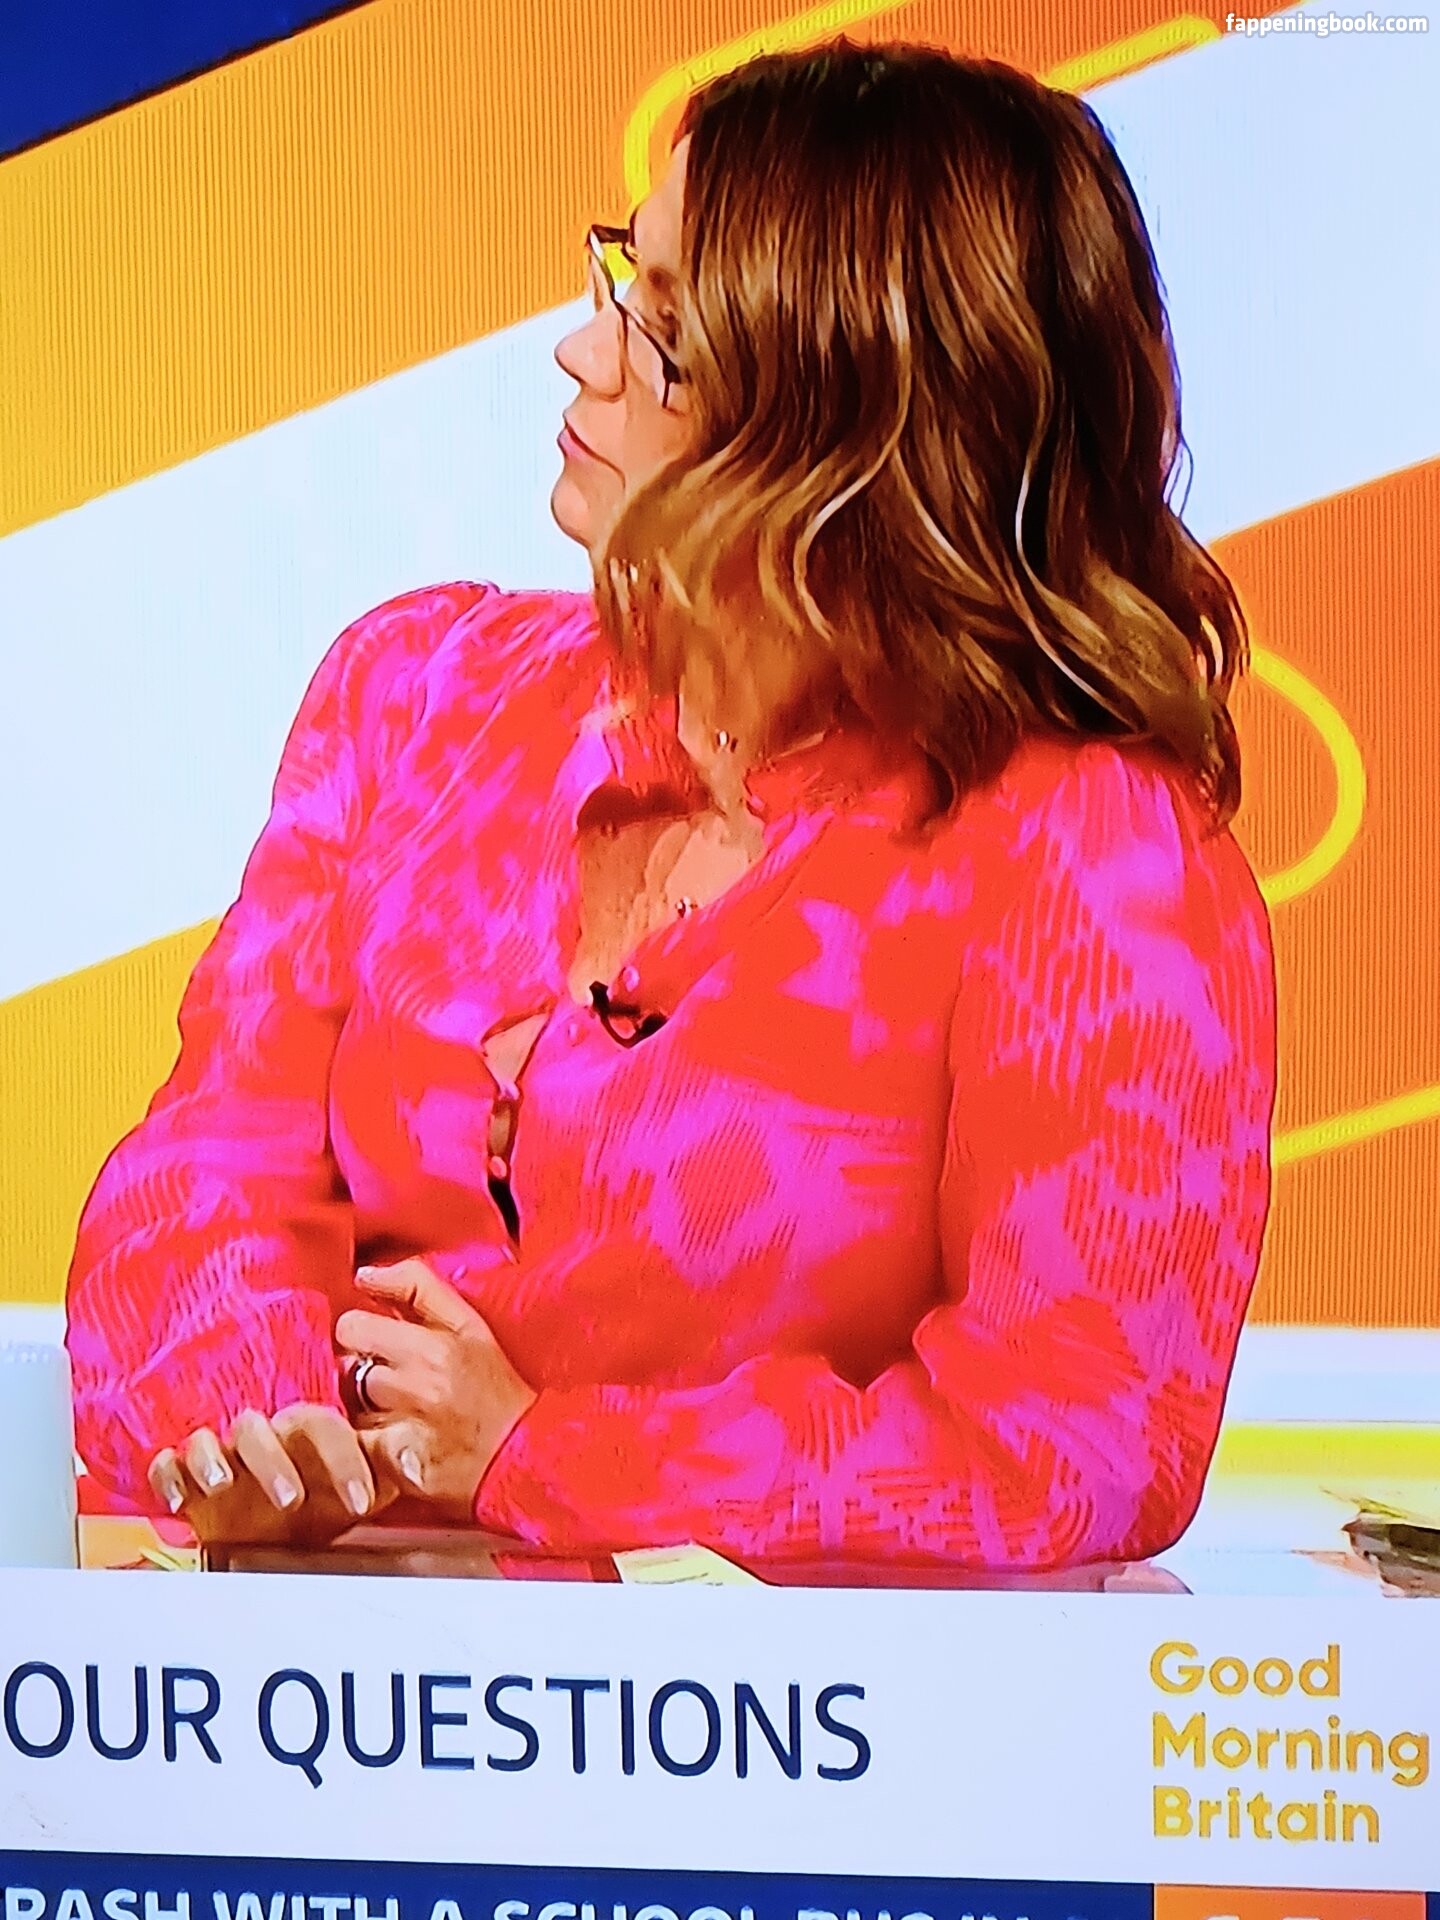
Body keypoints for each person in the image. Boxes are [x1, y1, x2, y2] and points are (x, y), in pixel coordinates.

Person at [64, 39, 1277, 1574]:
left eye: (670, 333)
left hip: (780, 1719)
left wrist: (545, 1457)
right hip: (322, 1673)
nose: (584, 353)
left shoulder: (1092, 856)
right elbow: (192, 1181)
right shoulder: (416, 691)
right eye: (620, 277)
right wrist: (262, 1430)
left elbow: (1072, 1446)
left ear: (854, 438)